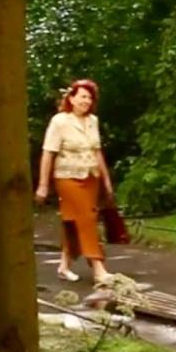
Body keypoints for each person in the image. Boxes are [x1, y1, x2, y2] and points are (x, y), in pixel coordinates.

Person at [36, 79, 116, 287]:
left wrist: (106, 180)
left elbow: (97, 152)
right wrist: (43, 185)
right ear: (71, 98)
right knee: (87, 218)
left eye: (90, 97)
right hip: (67, 177)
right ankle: (99, 268)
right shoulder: (60, 121)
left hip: (91, 177)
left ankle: (63, 266)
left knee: (73, 221)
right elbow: (48, 153)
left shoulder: (93, 121)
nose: (86, 101)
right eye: (82, 96)